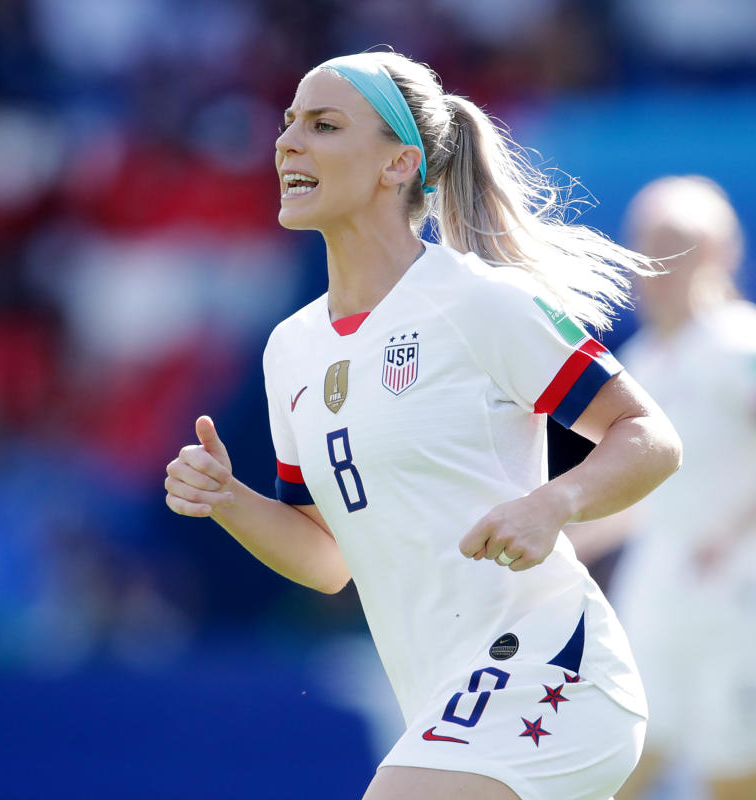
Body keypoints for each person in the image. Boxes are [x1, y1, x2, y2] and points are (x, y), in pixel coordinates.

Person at [164, 51, 683, 800]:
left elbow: (650, 435)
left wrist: (552, 504)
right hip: (445, 696)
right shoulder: (291, 349)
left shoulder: (478, 303)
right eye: (287, 125)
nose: (286, 143)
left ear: (398, 164)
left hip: (550, 671)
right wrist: (230, 501)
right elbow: (328, 561)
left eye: (323, 125)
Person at [568, 177, 756, 800]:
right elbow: (636, 495)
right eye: (648, 247)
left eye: (678, 245)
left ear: (721, 252)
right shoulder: (640, 363)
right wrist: (560, 540)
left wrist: (730, 530)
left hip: (737, 589)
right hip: (660, 587)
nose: (660, 266)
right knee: (620, 755)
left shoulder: (741, 345)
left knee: (734, 767)